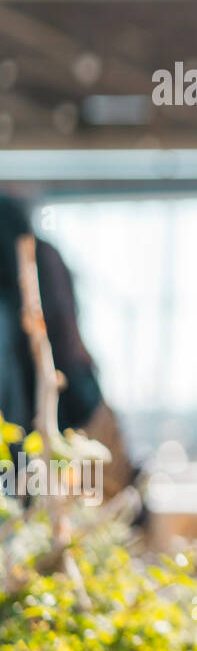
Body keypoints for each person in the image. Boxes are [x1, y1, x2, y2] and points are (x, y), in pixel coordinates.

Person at [0, 194, 144, 520]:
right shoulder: (40, 258)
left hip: (34, 447)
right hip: (45, 442)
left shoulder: (34, 263)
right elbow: (70, 346)